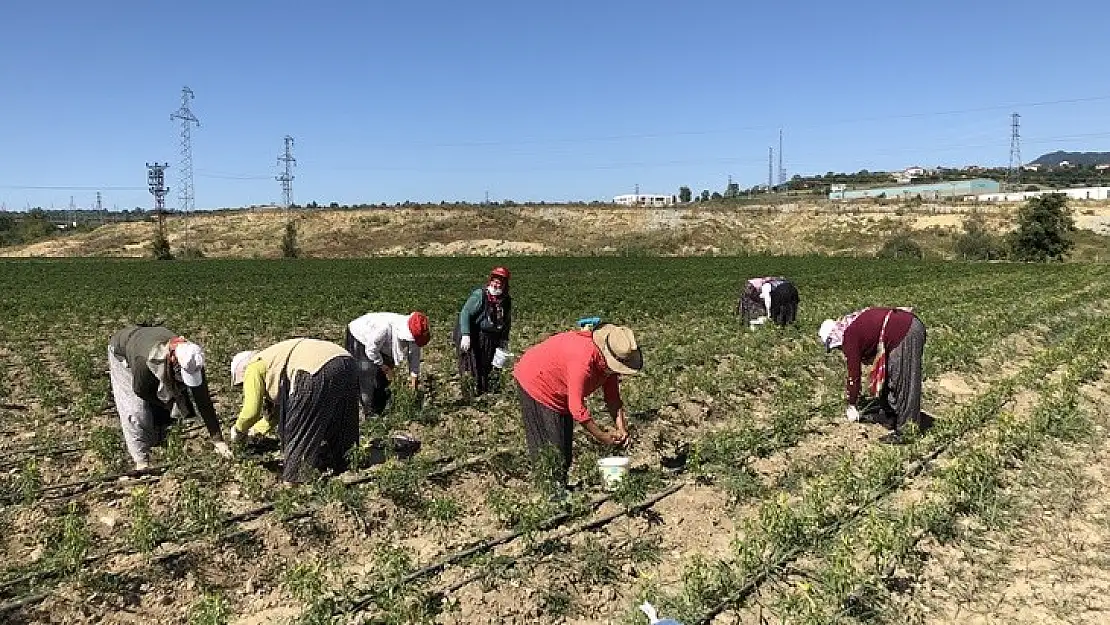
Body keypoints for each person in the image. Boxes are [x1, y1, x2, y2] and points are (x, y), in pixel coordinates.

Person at [512, 322, 643, 489]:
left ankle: (559, 487)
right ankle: (550, 492)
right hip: (536, 380)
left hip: (561, 389)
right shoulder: (583, 360)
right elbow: (576, 408)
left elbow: (613, 399)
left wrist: (621, 428)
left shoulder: (607, 367)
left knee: (563, 448)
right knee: (551, 446)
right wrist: (601, 436)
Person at [228, 338, 359, 483]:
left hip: (314, 369)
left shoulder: (253, 366)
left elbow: (251, 412)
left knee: (300, 429)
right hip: (347, 362)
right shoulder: (275, 362)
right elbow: (273, 417)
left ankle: (296, 480)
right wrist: (255, 431)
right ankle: (350, 462)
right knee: (342, 422)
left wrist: (238, 431)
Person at [108, 324, 232, 470]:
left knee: (174, 400)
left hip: (148, 346)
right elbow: (141, 391)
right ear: (173, 360)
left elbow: (203, 400)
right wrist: (167, 404)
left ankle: (160, 437)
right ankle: (141, 461)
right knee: (136, 410)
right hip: (123, 351)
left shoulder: (193, 359)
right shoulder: (145, 360)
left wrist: (218, 440)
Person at [819, 307, 927, 444]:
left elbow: (854, 374)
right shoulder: (852, 325)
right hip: (904, 328)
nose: (839, 350)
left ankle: (906, 431)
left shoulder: (849, 336)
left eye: (836, 347)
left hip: (905, 331)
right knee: (890, 378)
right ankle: (891, 415)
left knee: (904, 382)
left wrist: (852, 404)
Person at [344, 312, 431, 418]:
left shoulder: (415, 334)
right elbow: (371, 351)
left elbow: (414, 356)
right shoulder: (383, 329)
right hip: (360, 337)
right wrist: (385, 368)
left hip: (379, 344)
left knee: (381, 377)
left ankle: (380, 400)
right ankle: (369, 410)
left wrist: (414, 380)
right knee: (366, 373)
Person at [453, 266, 513, 397]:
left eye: (501, 281)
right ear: (490, 281)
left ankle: (484, 391)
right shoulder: (480, 295)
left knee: (487, 363)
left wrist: (504, 339)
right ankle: (469, 394)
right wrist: (465, 334)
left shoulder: (506, 301)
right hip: (471, 331)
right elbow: (465, 313)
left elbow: (506, 322)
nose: (497, 284)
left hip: (489, 335)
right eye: (495, 280)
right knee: (471, 363)